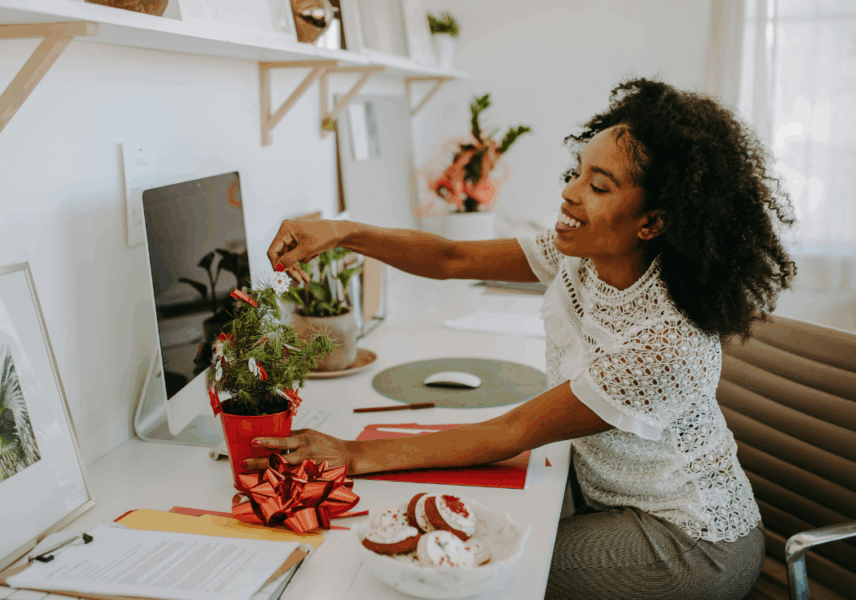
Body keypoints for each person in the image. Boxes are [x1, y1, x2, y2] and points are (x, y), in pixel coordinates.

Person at [250, 78, 797, 599]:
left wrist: (351, 453)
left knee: (465, 572)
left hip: (689, 543)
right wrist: (345, 232)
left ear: (651, 223)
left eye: (598, 186)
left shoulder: (667, 342)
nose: (569, 192)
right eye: (578, 172)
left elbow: (512, 429)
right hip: (607, 503)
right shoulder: (582, 256)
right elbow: (452, 257)